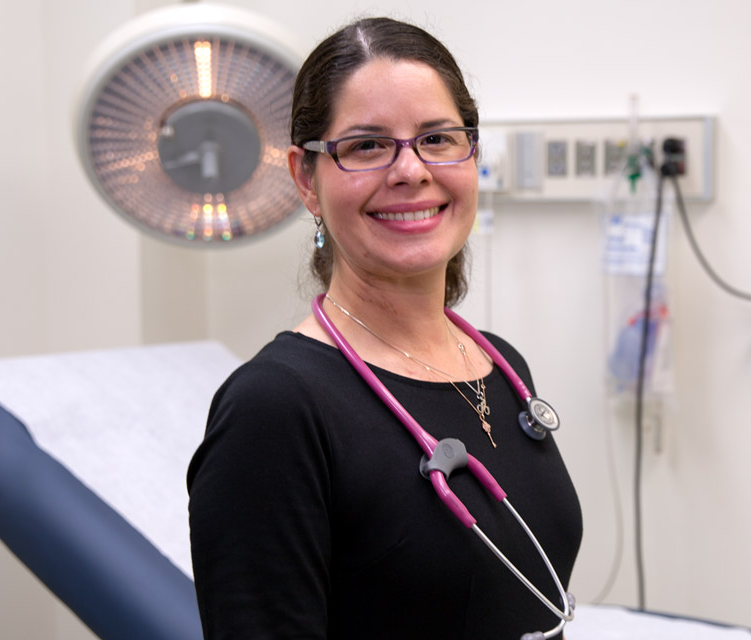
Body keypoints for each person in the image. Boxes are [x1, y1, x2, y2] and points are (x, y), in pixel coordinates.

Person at [187, 16, 582, 640]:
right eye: (367, 146)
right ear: (305, 179)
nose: (411, 170)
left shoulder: (498, 365)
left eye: (438, 138)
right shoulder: (276, 408)